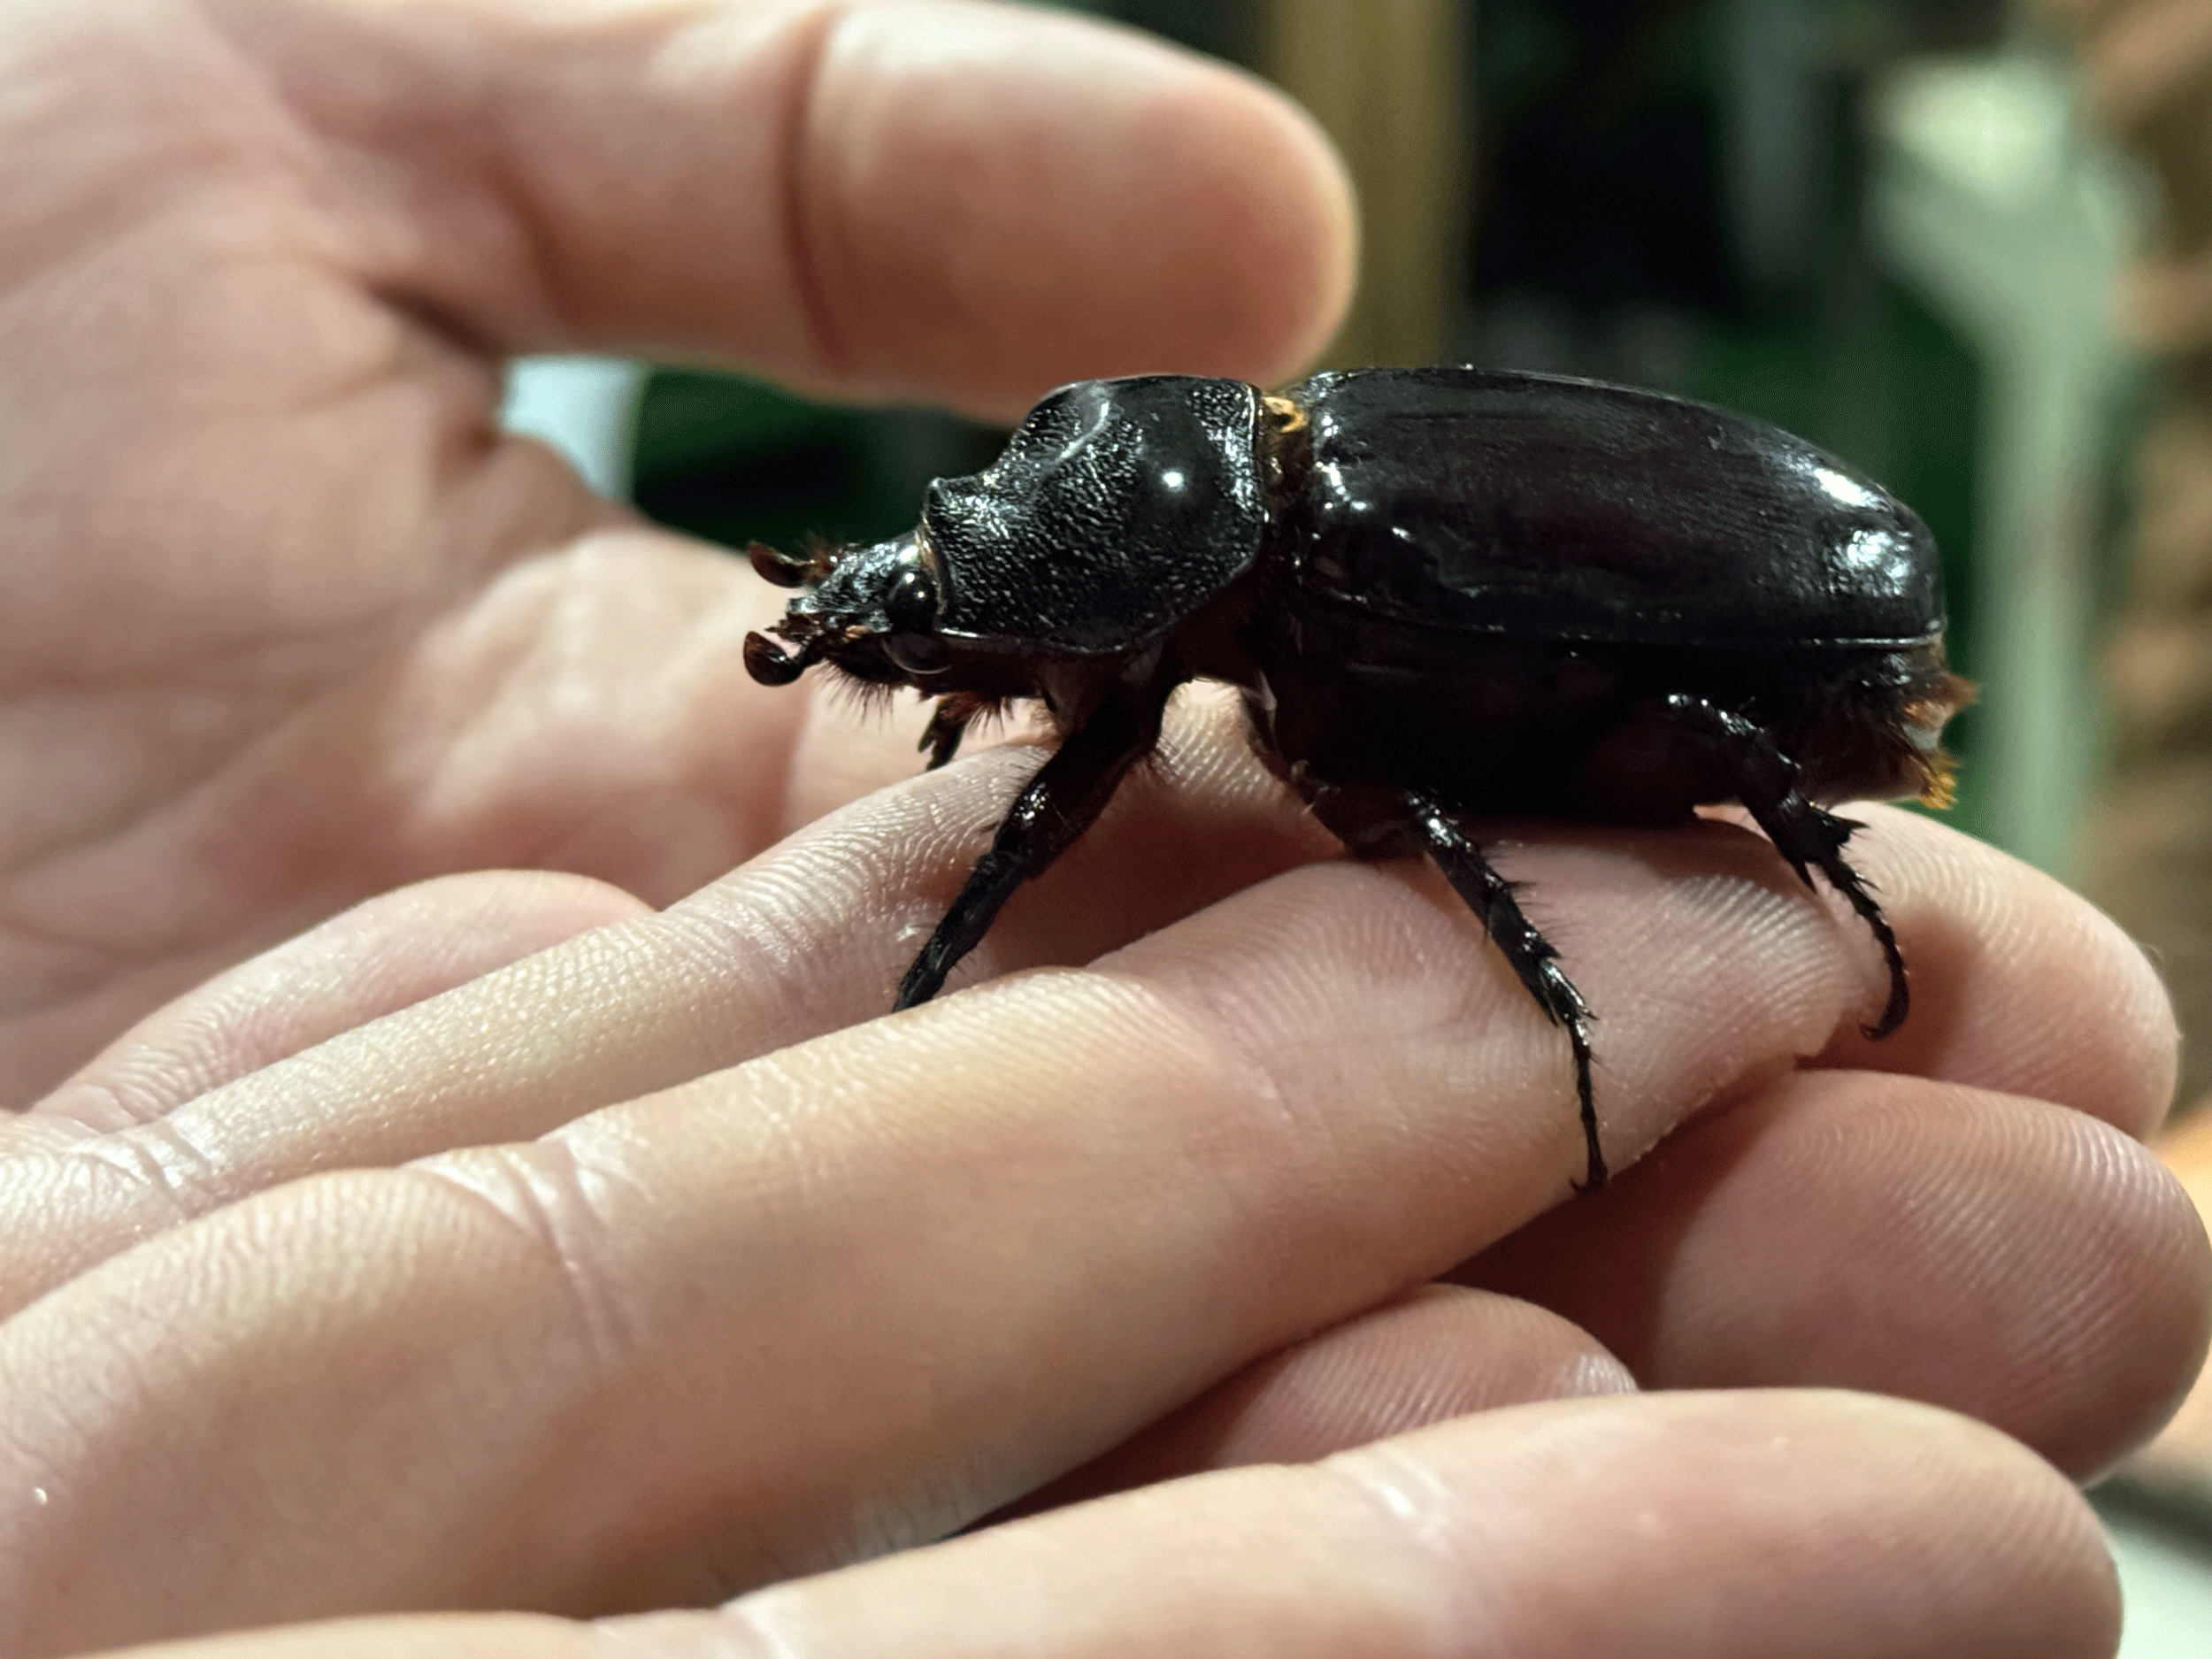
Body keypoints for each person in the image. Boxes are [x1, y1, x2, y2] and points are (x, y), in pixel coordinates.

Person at [0, 3, 2201, 1655]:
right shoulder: (1233, 571)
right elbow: (1071, 753)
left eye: (982, 603)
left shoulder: (1323, 571)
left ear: (1121, 575)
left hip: (1777, 646)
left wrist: (962, 963)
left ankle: (1765, 894)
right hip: (1701, 627)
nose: (941, 633)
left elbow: (1176, 794)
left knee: (1558, 822)